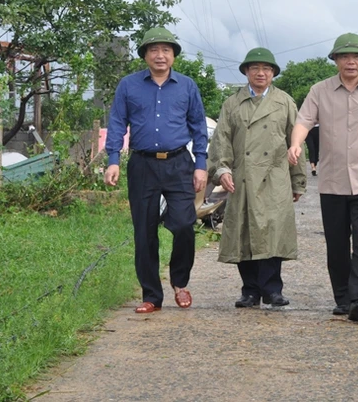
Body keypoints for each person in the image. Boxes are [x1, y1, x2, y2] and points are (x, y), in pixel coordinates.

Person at [287, 33, 358, 322]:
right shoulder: (319, 91)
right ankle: (342, 297)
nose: (351, 61)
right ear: (335, 60)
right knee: (336, 244)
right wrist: (296, 144)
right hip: (332, 181)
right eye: (345, 56)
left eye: (357, 56)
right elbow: (303, 121)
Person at [104, 27, 208, 314]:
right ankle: (151, 295)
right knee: (144, 230)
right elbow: (116, 123)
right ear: (145, 55)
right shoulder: (129, 85)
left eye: (166, 50)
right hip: (143, 165)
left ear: (173, 55)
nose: (160, 55)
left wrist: (201, 165)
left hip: (178, 164)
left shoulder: (187, 86)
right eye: (154, 50)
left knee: (185, 224)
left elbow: (199, 127)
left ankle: (180, 282)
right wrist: (113, 159)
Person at [208, 48, 307, 309]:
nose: (260, 73)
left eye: (266, 68)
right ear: (246, 72)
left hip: (274, 176)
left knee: (273, 232)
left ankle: (273, 290)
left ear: (273, 73)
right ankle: (249, 290)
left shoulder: (285, 102)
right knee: (244, 233)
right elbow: (221, 141)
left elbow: (296, 143)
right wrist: (222, 170)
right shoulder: (232, 103)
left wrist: (297, 181)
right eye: (255, 68)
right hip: (242, 177)